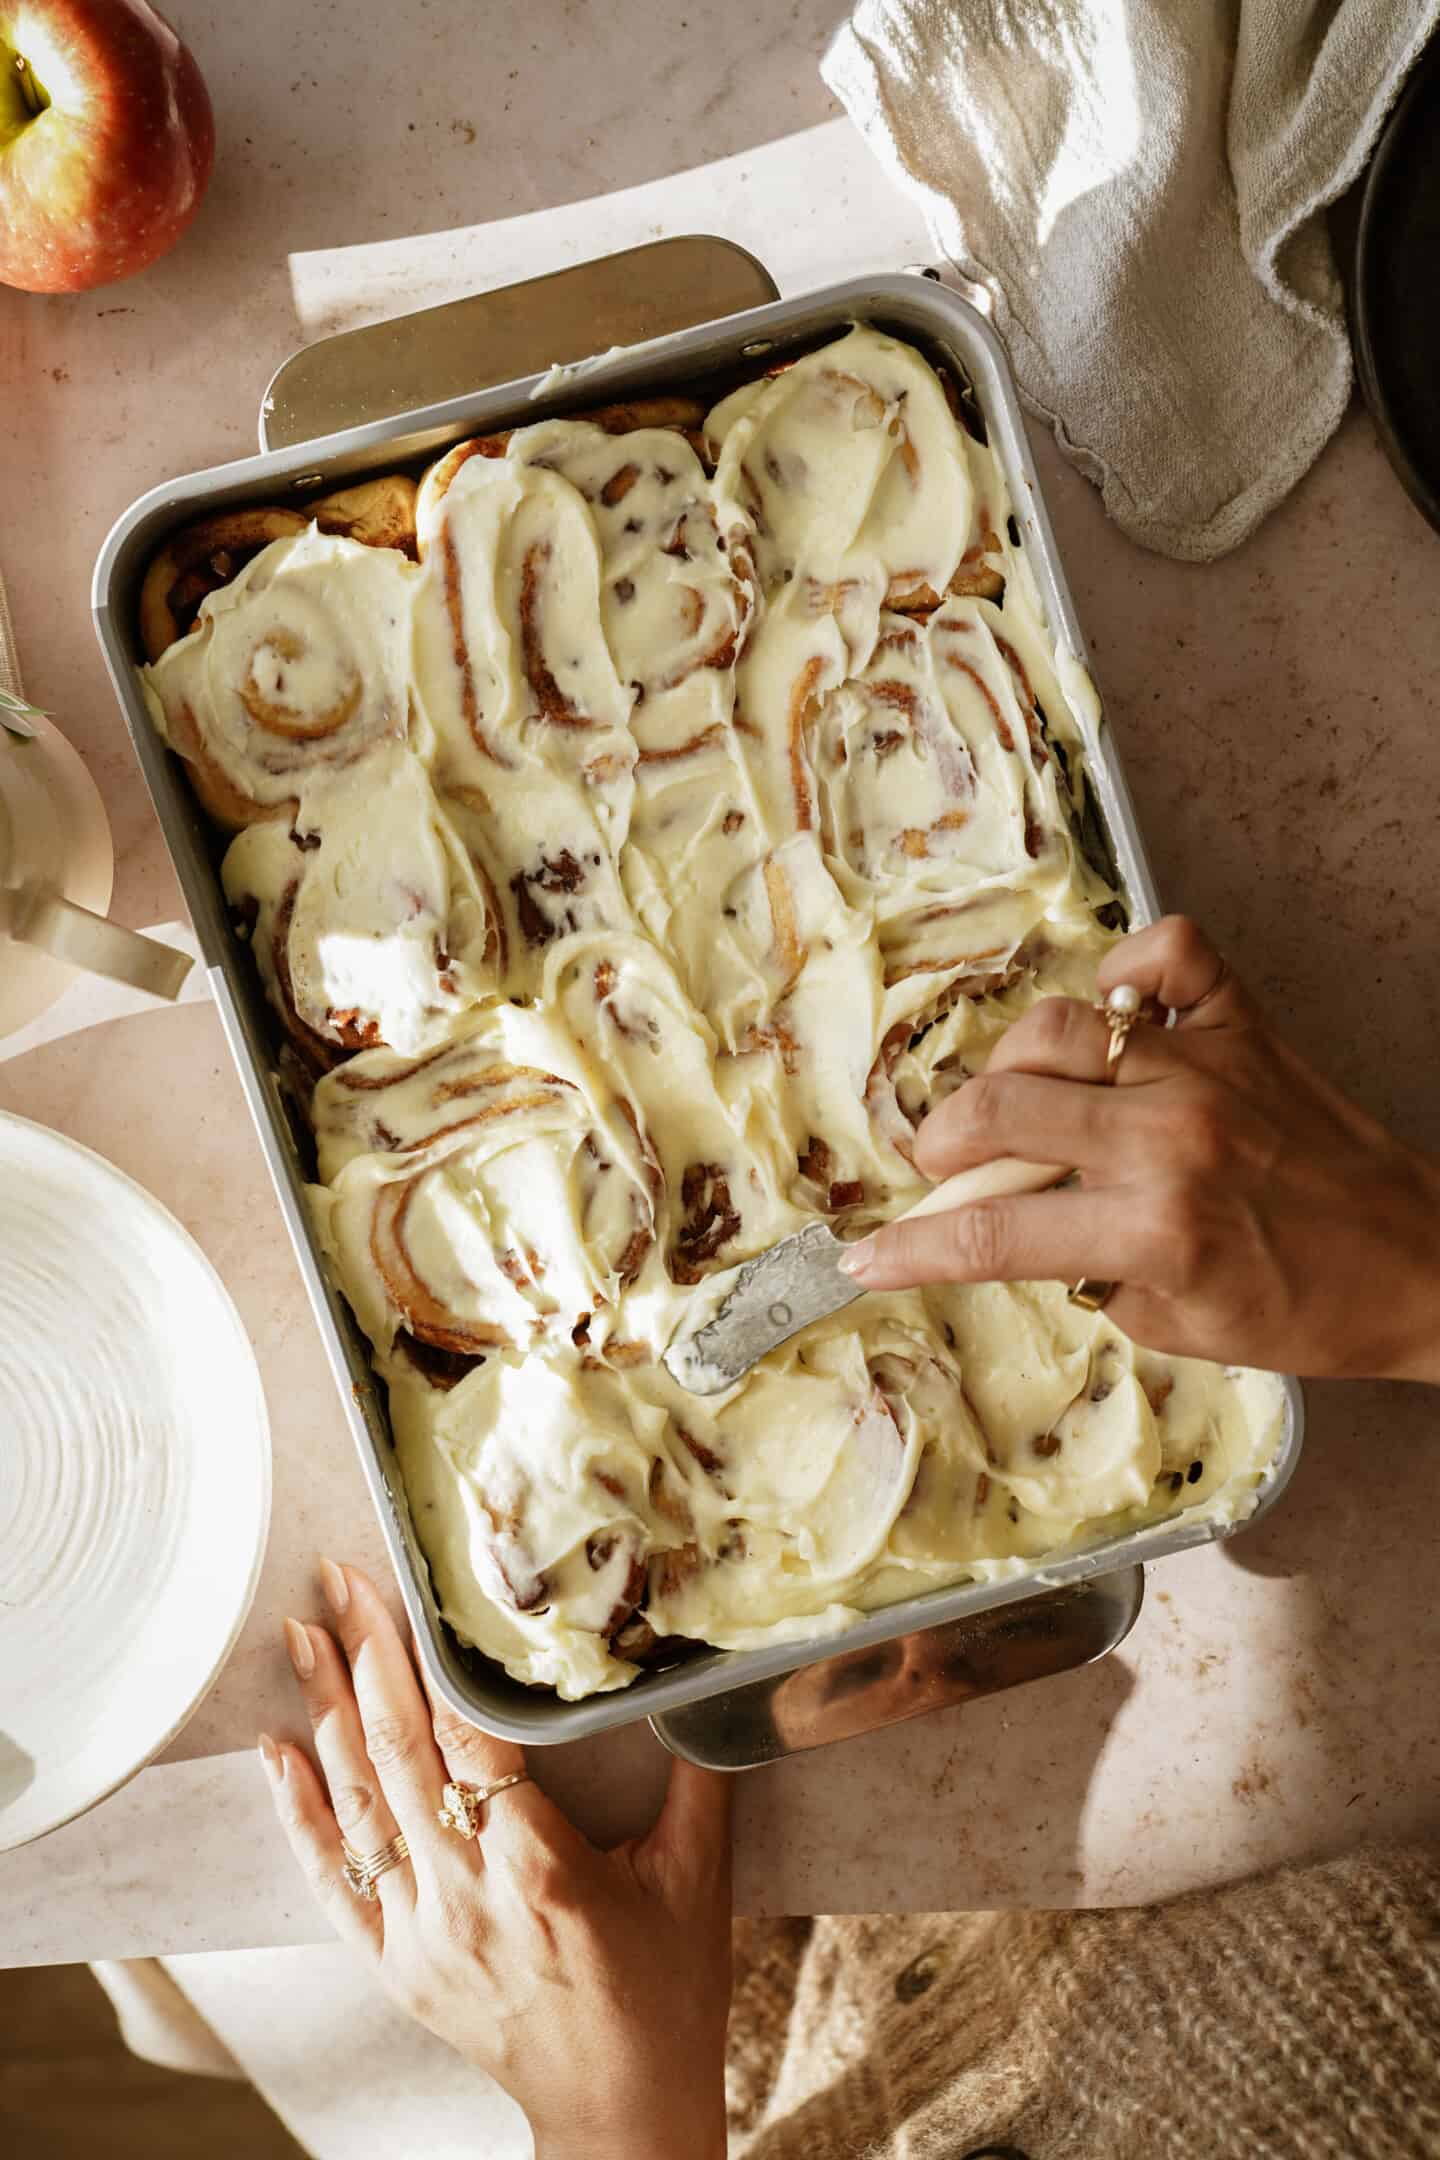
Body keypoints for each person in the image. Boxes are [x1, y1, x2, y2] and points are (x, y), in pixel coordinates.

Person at [258, 918, 1440, 2159]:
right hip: (903, 1982)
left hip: (763, 2045)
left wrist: (614, 2114)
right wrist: (1415, 1275)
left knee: (253, 1990)